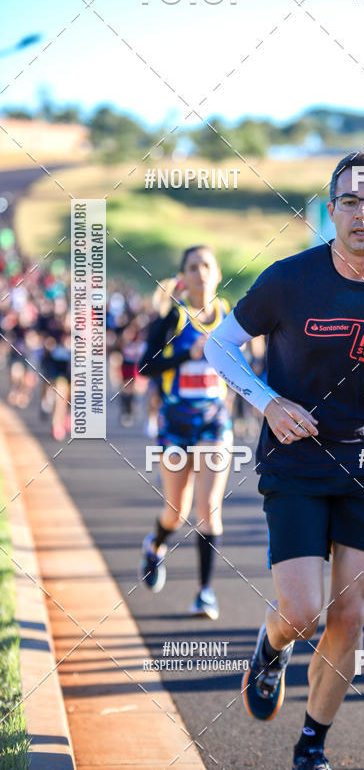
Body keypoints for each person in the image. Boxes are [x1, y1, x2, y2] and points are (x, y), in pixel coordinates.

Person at [205, 149, 364, 770]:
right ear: (330, 209)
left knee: (351, 613)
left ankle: (312, 742)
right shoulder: (290, 278)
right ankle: (270, 645)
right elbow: (220, 346)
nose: (361, 213)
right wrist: (268, 402)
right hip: (297, 457)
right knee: (304, 611)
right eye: (349, 201)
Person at [138, 245, 232, 619]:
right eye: (192, 267)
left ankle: (205, 592)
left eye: (207, 265)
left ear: (218, 272)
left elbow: (248, 361)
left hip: (214, 421)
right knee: (176, 511)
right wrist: (186, 355)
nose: (200, 273)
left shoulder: (228, 316)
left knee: (208, 509)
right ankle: (154, 544)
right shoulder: (173, 318)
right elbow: (145, 365)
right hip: (176, 424)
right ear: (184, 276)